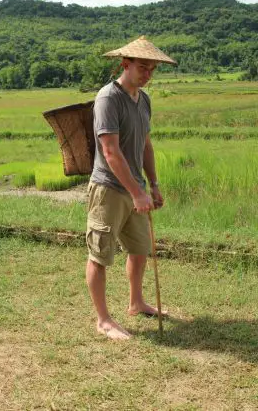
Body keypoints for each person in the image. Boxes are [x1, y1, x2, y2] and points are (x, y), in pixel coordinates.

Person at [85, 36, 176, 340]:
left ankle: (136, 302)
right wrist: (137, 192)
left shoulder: (144, 99)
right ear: (125, 64)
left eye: (152, 69)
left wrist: (153, 184)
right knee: (100, 255)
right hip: (108, 189)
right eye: (142, 67)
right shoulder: (108, 98)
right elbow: (110, 151)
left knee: (139, 250)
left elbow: (145, 145)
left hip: (135, 188)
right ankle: (103, 320)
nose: (147, 73)